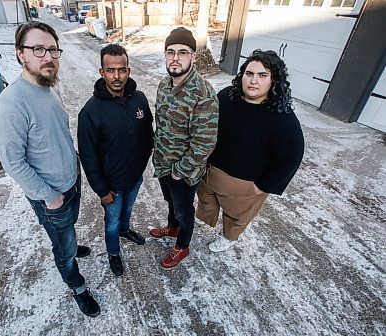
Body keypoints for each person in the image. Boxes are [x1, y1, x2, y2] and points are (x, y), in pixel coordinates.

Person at [0, 21, 100, 317]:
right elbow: (13, 162)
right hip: (51, 195)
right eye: (38, 49)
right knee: (62, 248)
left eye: (52, 49)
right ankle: (76, 284)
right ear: (20, 54)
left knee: (68, 229)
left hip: (70, 183)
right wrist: (48, 196)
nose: (48, 56)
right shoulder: (11, 104)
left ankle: (72, 245)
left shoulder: (50, 89)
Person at [196, 49, 305, 252]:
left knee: (236, 217)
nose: (253, 81)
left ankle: (229, 238)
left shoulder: (282, 118)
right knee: (206, 202)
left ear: (274, 80)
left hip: (244, 184)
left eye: (262, 75)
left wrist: (262, 186)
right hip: (210, 171)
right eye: (249, 73)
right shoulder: (226, 97)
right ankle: (206, 222)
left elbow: (290, 159)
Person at [78, 44, 153, 277]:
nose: (117, 76)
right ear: (102, 72)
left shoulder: (139, 99)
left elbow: (147, 134)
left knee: (127, 211)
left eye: (121, 70)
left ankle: (125, 230)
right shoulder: (90, 112)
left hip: (134, 178)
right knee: (110, 222)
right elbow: (88, 156)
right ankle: (113, 252)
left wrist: (143, 162)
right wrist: (102, 190)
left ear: (128, 70)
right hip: (112, 186)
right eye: (111, 70)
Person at [151, 27, 219, 269]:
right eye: (170, 52)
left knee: (183, 209)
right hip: (163, 163)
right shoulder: (164, 85)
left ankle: (182, 245)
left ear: (193, 56)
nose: (175, 58)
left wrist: (180, 170)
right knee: (170, 202)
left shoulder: (203, 93)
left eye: (183, 52)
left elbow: (205, 142)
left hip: (183, 171)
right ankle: (172, 227)